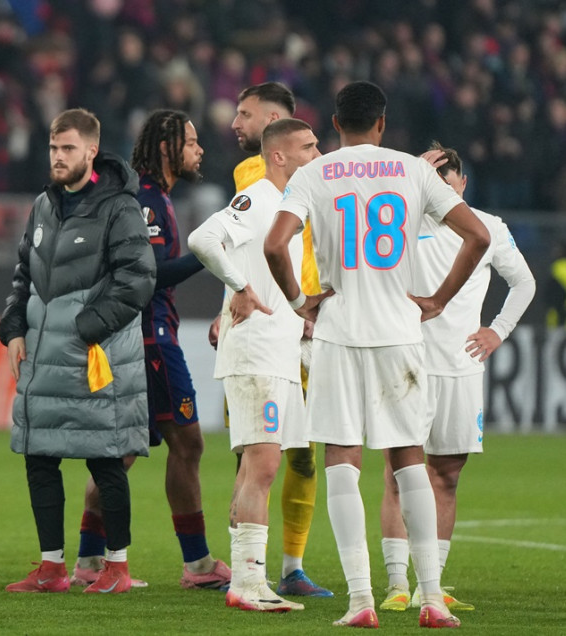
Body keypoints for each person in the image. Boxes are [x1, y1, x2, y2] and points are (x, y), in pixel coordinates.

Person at [263, 80, 491, 628]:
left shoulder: (315, 173)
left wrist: (300, 302)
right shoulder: (412, 171)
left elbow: (275, 244)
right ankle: (431, 598)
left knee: (343, 461)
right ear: (382, 124)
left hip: (338, 331)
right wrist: (436, 300)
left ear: (336, 125)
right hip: (400, 331)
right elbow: (478, 236)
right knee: (410, 459)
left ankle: (361, 601)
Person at [69, 109, 230, 590]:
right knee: (187, 444)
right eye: (191, 142)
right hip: (150, 339)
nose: (199, 150)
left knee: (121, 452)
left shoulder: (149, 197)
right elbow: (151, 274)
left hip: (142, 338)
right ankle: (198, 565)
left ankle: (88, 561)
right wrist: (208, 252)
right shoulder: (146, 202)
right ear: (166, 148)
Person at [0, 108, 156, 595]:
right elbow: (23, 272)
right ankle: (51, 569)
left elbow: (138, 279)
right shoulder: (43, 205)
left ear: (92, 150)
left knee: (106, 460)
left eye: (68, 149)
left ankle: (118, 567)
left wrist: (88, 326)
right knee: (39, 457)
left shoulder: (119, 207)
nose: (58, 157)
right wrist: (14, 326)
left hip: (96, 356)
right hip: (44, 354)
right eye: (53, 148)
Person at [378, 143, 535, 612]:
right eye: (433, 188)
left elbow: (523, 282)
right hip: (409, 362)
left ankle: (433, 583)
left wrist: (497, 330)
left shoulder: (488, 227)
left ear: (462, 185)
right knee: (398, 473)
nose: (442, 200)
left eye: (448, 188)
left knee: (446, 476)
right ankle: (395, 584)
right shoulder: (400, 221)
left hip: (462, 366)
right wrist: (407, 183)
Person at [189, 118, 321, 612]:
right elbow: (203, 238)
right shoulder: (259, 197)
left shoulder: (291, 208)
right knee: (263, 464)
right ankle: (246, 584)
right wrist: (240, 285)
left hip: (279, 352)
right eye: (308, 147)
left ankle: (251, 580)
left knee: (258, 464)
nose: (317, 153)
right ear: (279, 156)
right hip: (257, 353)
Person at [214, 82, 332, 597]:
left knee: (296, 451)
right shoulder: (252, 176)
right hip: (276, 323)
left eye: (246, 114)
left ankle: (286, 566)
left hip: (307, 324)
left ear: (274, 121)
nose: (235, 123)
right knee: (257, 455)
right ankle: (253, 570)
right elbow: (236, 245)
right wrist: (232, 298)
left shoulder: (308, 174)